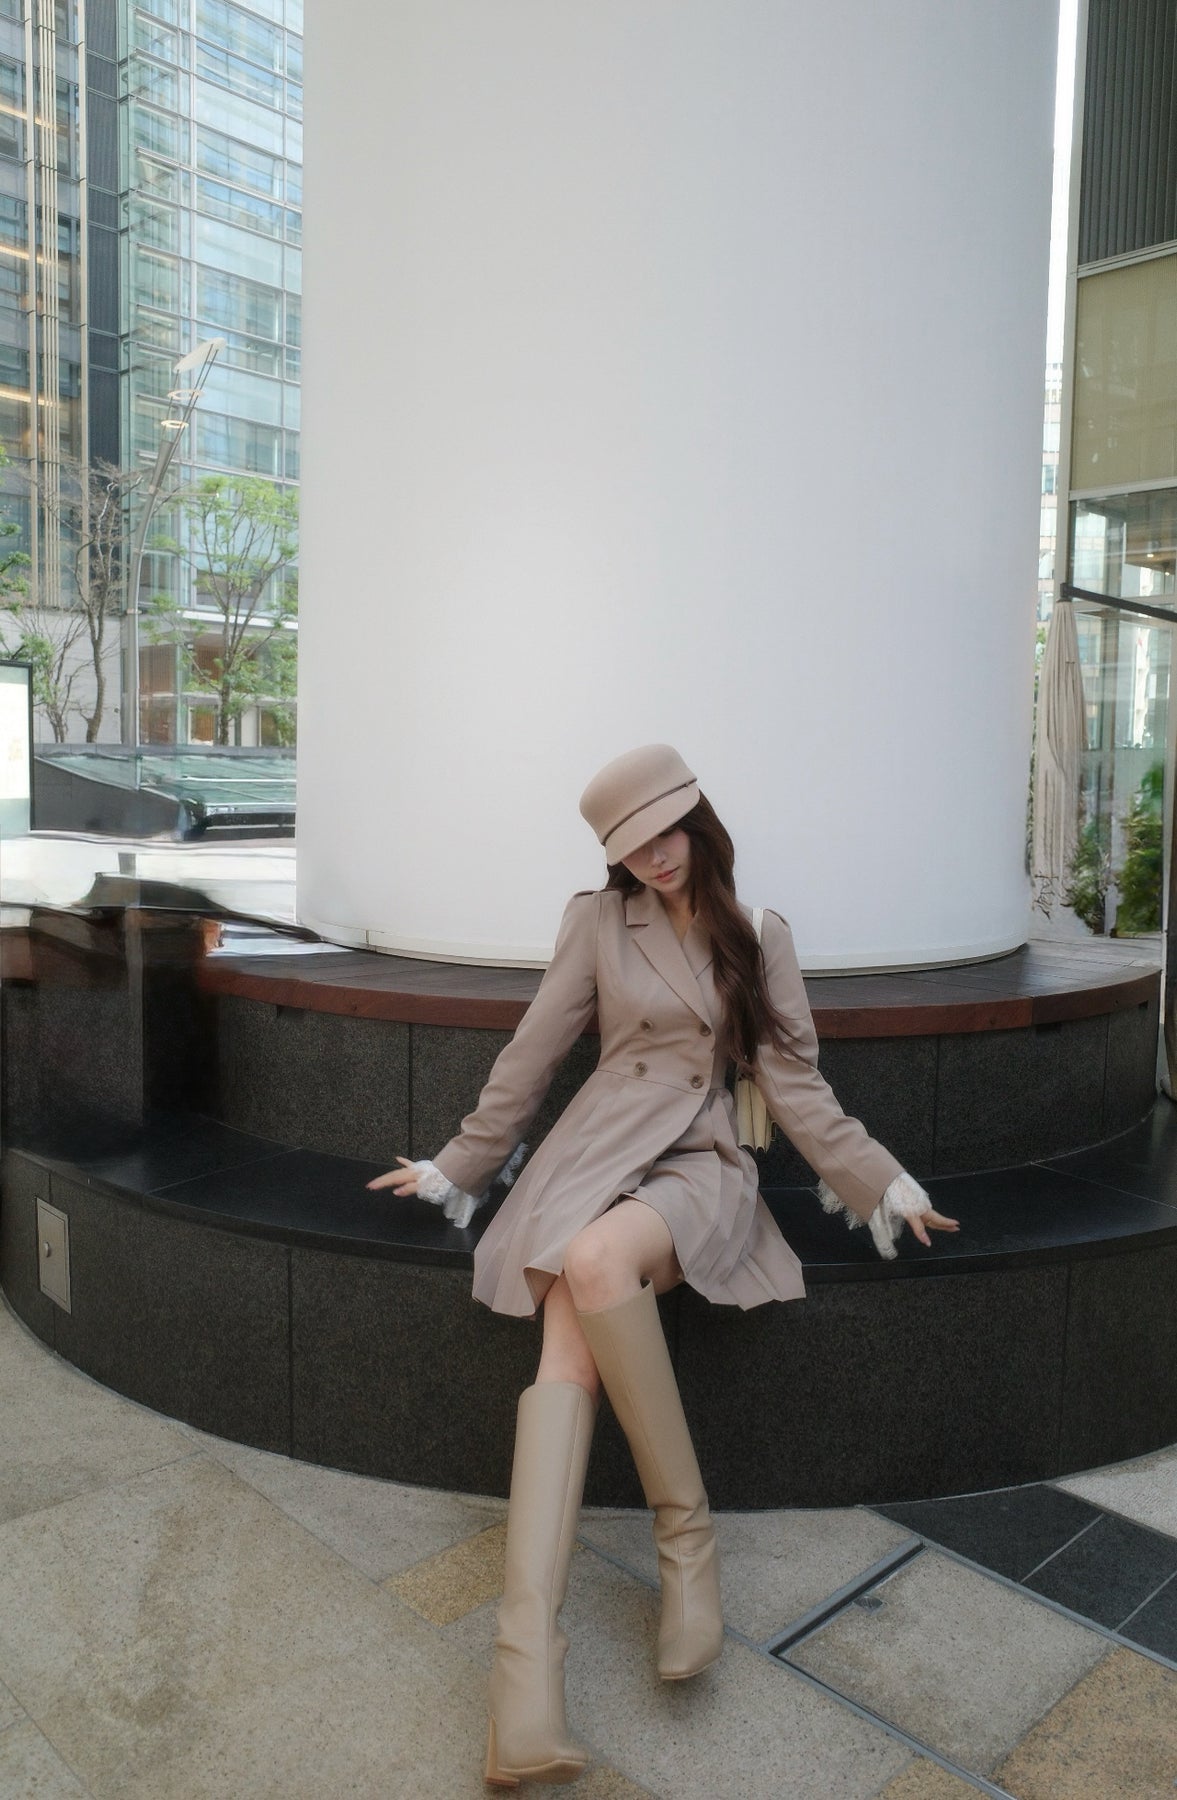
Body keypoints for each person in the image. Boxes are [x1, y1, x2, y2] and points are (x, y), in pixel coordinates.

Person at [367, 743, 959, 1789]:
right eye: (631, 845)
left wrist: (882, 1183)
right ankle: (522, 1691)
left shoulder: (756, 933)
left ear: (697, 819)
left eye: (664, 830)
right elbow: (532, 1053)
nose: (653, 855)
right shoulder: (597, 922)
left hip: (697, 1161)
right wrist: (458, 1162)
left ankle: (685, 1547)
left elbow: (794, 1083)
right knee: (567, 1347)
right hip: (592, 1151)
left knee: (596, 1259)